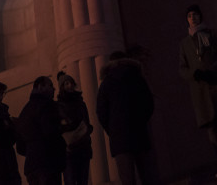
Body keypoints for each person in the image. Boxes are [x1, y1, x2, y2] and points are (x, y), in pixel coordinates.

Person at [178, 4, 217, 173]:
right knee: (211, 126)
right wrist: (194, 74)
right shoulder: (184, 43)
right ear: (187, 19)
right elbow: (182, 68)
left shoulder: (213, 34)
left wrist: (213, 70)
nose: (193, 17)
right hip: (201, 90)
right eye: (190, 15)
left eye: (195, 14)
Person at [96, 50, 158, 185]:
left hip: (119, 138)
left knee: (127, 179)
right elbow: (148, 103)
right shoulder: (137, 77)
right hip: (139, 132)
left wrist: (112, 129)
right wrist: (141, 121)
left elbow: (101, 112)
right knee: (148, 175)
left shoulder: (106, 84)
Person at [16, 76, 67, 185]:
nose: (54, 89)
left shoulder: (25, 111)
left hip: (32, 165)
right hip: (48, 164)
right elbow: (51, 132)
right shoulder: (47, 106)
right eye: (50, 85)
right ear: (40, 87)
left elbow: (20, 146)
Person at [57, 71, 93, 185]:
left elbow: (86, 121)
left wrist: (87, 128)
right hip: (69, 150)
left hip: (83, 147)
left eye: (71, 83)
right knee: (70, 180)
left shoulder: (81, 103)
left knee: (83, 180)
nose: (70, 86)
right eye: (66, 83)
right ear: (62, 87)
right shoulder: (59, 105)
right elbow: (61, 126)